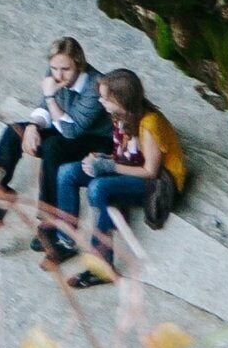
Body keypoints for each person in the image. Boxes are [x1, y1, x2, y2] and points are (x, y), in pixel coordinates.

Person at [50, 69, 186, 279]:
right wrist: (101, 159)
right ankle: (66, 241)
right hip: (129, 168)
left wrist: (109, 167)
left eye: (106, 98)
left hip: (158, 183)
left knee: (99, 188)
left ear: (123, 99)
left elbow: (151, 171)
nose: (101, 101)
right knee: (67, 172)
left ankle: (101, 265)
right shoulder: (118, 115)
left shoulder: (149, 123)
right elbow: (123, 152)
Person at [0, 37, 107, 230]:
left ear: (79, 64)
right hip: (64, 127)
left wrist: (50, 97)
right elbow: (45, 109)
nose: (58, 75)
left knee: (53, 147)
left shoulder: (95, 86)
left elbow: (72, 131)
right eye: (54, 68)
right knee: (14, 132)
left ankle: (49, 216)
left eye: (65, 69)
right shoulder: (55, 73)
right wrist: (33, 126)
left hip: (95, 139)